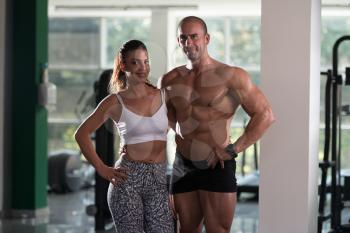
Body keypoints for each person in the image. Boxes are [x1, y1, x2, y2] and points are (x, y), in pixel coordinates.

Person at [159, 16, 275, 233]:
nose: (188, 43)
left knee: (218, 230)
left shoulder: (231, 76)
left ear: (207, 38)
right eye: (183, 38)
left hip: (216, 166)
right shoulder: (169, 80)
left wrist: (233, 150)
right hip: (183, 165)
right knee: (185, 229)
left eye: (194, 37)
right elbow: (165, 121)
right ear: (178, 41)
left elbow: (265, 115)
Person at [75, 39, 174, 233]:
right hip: (128, 180)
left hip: (159, 179)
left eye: (146, 61)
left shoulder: (164, 96)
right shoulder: (114, 102)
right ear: (123, 65)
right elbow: (82, 134)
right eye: (135, 62)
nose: (142, 67)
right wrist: (102, 169)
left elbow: (178, 129)